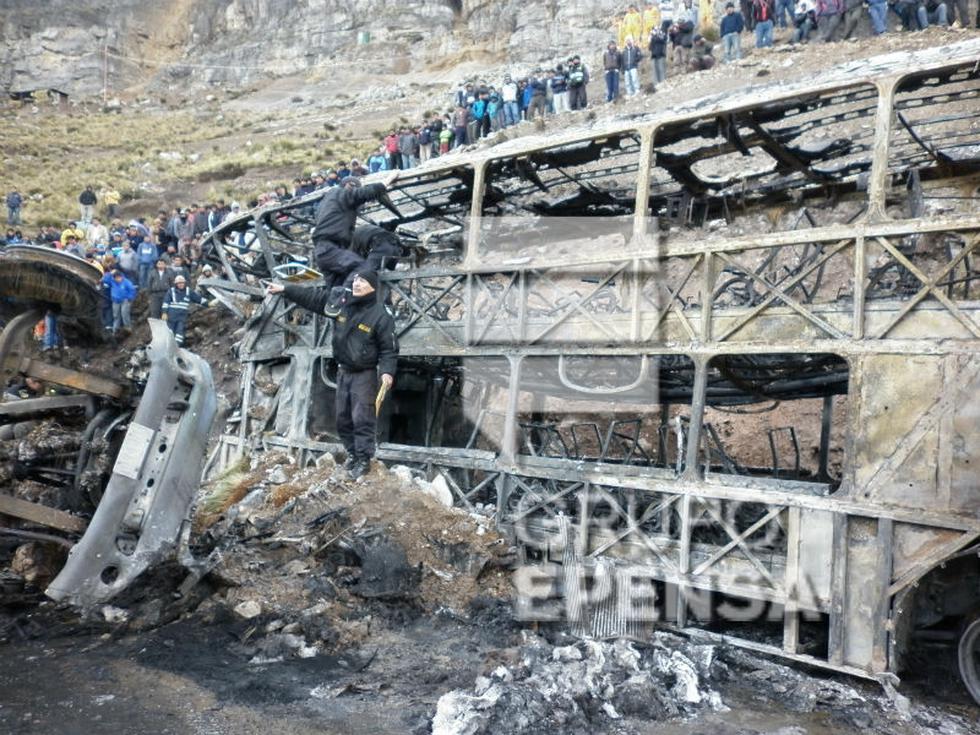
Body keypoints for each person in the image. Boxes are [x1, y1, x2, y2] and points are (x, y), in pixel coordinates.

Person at [266, 269, 398, 480]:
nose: (357, 283)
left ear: (372, 286)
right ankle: (352, 454)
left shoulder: (381, 315)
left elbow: (389, 349)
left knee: (362, 417)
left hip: (364, 373)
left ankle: (364, 460)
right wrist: (285, 289)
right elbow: (313, 299)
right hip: (343, 371)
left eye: (362, 281)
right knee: (343, 419)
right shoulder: (341, 301)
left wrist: (387, 372)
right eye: (355, 279)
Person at [312, 170, 400, 290]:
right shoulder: (341, 193)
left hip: (322, 253)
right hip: (330, 249)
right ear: (349, 186)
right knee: (363, 269)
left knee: (335, 290)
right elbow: (366, 193)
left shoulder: (326, 204)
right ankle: (348, 297)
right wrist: (389, 179)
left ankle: (337, 304)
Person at [162, 274, 208, 346]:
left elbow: (198, 299)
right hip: (171, 317)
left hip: (181, 317)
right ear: (176, 284)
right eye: (179, 283)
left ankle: (177, 347)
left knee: (179, 334)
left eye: (182, 283)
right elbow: (166, 302)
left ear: (184, 283)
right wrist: (164, 313)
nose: (181, 285)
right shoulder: (171, 291)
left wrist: (208, 303)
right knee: (169, 333)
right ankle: (167, 348)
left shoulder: (188, 291)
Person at [108, 269, 136, 335]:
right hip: (115, 301)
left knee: (125, 314)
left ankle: (128, 328)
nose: (118, 279)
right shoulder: (112, 281)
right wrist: (110, 274)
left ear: (121, 276)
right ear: (114, 278)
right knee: (116, 316)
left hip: (124, 300)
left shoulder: (126, 282)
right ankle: (115, 330)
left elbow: (132, 290)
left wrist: (129, 298)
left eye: (119, 277)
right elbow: (105, 279)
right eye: (116, 278)